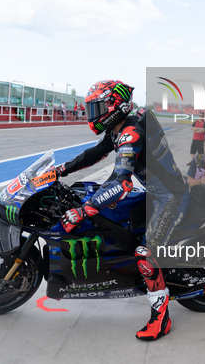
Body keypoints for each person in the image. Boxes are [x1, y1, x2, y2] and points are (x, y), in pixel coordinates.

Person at [56, 80, 189, 341]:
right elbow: (97, 152)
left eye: (98, 107)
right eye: (92, 108)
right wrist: (61, 170)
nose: (93, 114)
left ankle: (161, 318)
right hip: (154, 193)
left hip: (170, 199)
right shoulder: (122, 126)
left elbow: (122, 182)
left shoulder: (131, 131)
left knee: (144, 254)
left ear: (116, 106)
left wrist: (84, 211)